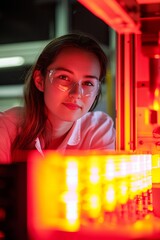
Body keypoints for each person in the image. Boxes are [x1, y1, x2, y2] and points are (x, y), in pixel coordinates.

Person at [0, 32, 115, 163]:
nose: (77, 93)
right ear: (40, 81)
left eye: (88, 83)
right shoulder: (6, 127)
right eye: (64, 77)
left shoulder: (97, 130)